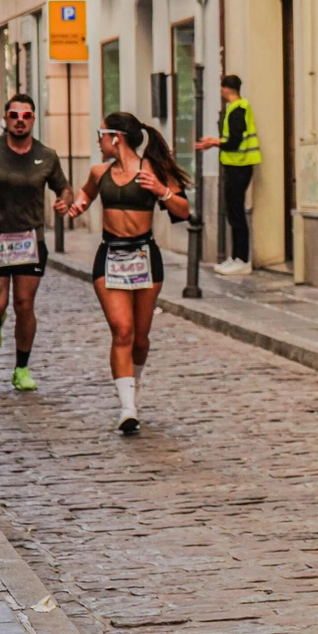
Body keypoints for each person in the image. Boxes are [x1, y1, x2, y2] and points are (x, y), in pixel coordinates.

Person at [65, 112, 190, 434]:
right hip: (110, 256)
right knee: (122, 331)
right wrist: (77, 205)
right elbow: (86, 193)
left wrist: (162, 191)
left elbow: (184, 210)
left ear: (115, 137)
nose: (98, 141)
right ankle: (127, 407)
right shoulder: (99, 171)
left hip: (144, 256)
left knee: (140, 338)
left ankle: (135, 382)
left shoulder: (153, 171)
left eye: (101, 134)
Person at [0, 93, 73, 392]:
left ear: (33, 119)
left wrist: (64, 202)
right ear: (6, 119)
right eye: (14, 116)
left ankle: (22, 368)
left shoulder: (46, 156)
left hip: (29, 239)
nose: (20, 121)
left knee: (24, 305)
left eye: (26, 116)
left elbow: (64, 188)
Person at [194, 73, 260, 276]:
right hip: (237, 167)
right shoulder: (237, 108)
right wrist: (214, 143)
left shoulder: (237, 109)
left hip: (239, 167)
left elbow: (234, 141)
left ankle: (242, 259)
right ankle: (236, 257)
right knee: (234, 213)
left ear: (224, 89)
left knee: (236, 213)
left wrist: (213, 142)